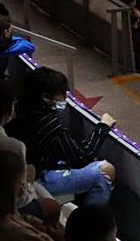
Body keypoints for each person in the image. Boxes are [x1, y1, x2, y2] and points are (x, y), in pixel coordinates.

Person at [8, 68, 116, 206]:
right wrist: (103, 127)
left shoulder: (17, 108)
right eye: (63, 94)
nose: (65, 98)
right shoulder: (48, 124)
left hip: (25, 170)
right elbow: (81, 157)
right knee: (105, 170)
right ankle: (90, 222)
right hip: (36, 177)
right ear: (46, 97)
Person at [0, 148, 64, 241]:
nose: (23, 186)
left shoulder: (10, 219)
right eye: (21, 182)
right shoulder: (20, 236)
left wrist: (26, 220)